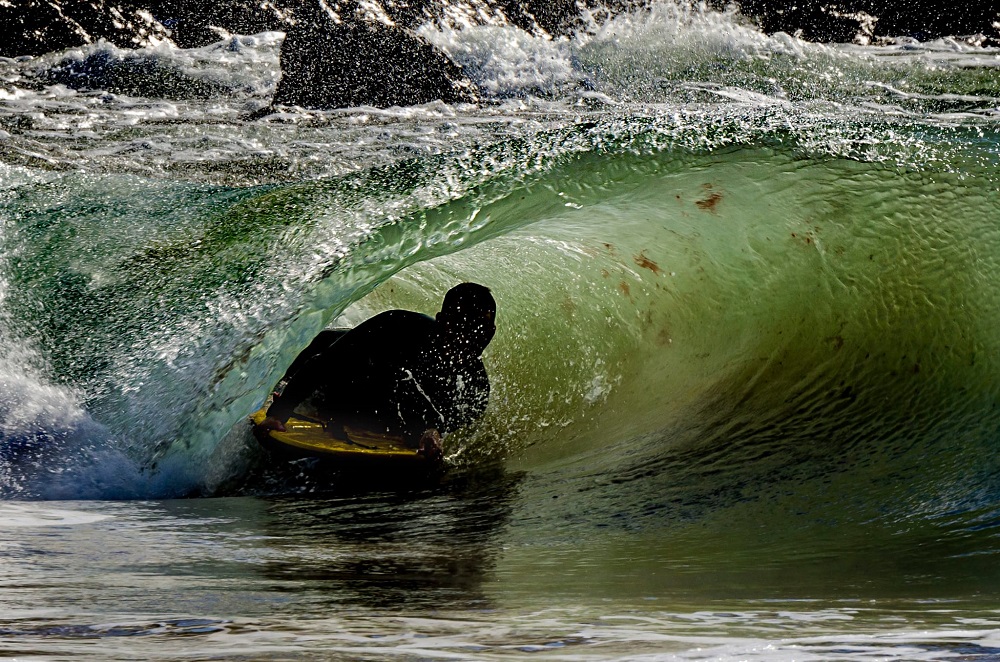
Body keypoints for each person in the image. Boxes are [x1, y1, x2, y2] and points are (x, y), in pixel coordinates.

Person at [255, 283, 496, 461]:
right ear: (442, 321)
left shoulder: (476, 387)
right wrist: (281, 409)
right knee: (386, 375)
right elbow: (324, 363)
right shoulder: (398, 328)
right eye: (461, 327)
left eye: (479, 330)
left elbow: (443, 420)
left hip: (369, 391)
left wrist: (429, 433)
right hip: (316, 358)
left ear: (491, 333)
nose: (468, 339)